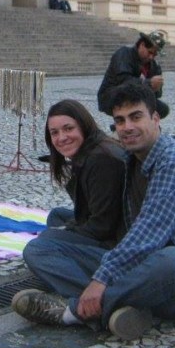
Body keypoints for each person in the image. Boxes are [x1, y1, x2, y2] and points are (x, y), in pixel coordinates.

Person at [12, 83, 175, 341]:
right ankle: (123, 306)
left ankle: (73, 312)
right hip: (138, 266)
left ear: (155, 118)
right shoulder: (131, 158)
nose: (127, 127)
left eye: (136, 117)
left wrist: (101, 278)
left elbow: (150, 232)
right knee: (38, 249)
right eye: (120, 120)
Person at [38, 99, 126, 248]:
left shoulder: (102, 160)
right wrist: (66, 230)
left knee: (40, 245)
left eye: (68, 128)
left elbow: (103, 227)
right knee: (56, 215)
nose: (62, 138)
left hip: (117, 242)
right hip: (106, 227)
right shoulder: (90, 151)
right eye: (54, 133)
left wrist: (64, 232)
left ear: (83, 126)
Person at [97, 32, 169, 119]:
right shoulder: (124, 54)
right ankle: (123, 121)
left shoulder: (154, 65)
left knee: (162, 109)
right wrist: (149, 83)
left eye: (154, 55)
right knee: (128, 99)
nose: (151, 57)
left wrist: (157, 87)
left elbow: (157, 95)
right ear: (142, 45)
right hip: (112, 95)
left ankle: (142, 123)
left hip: (137, 97)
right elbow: (124, 80)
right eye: (150, 52)